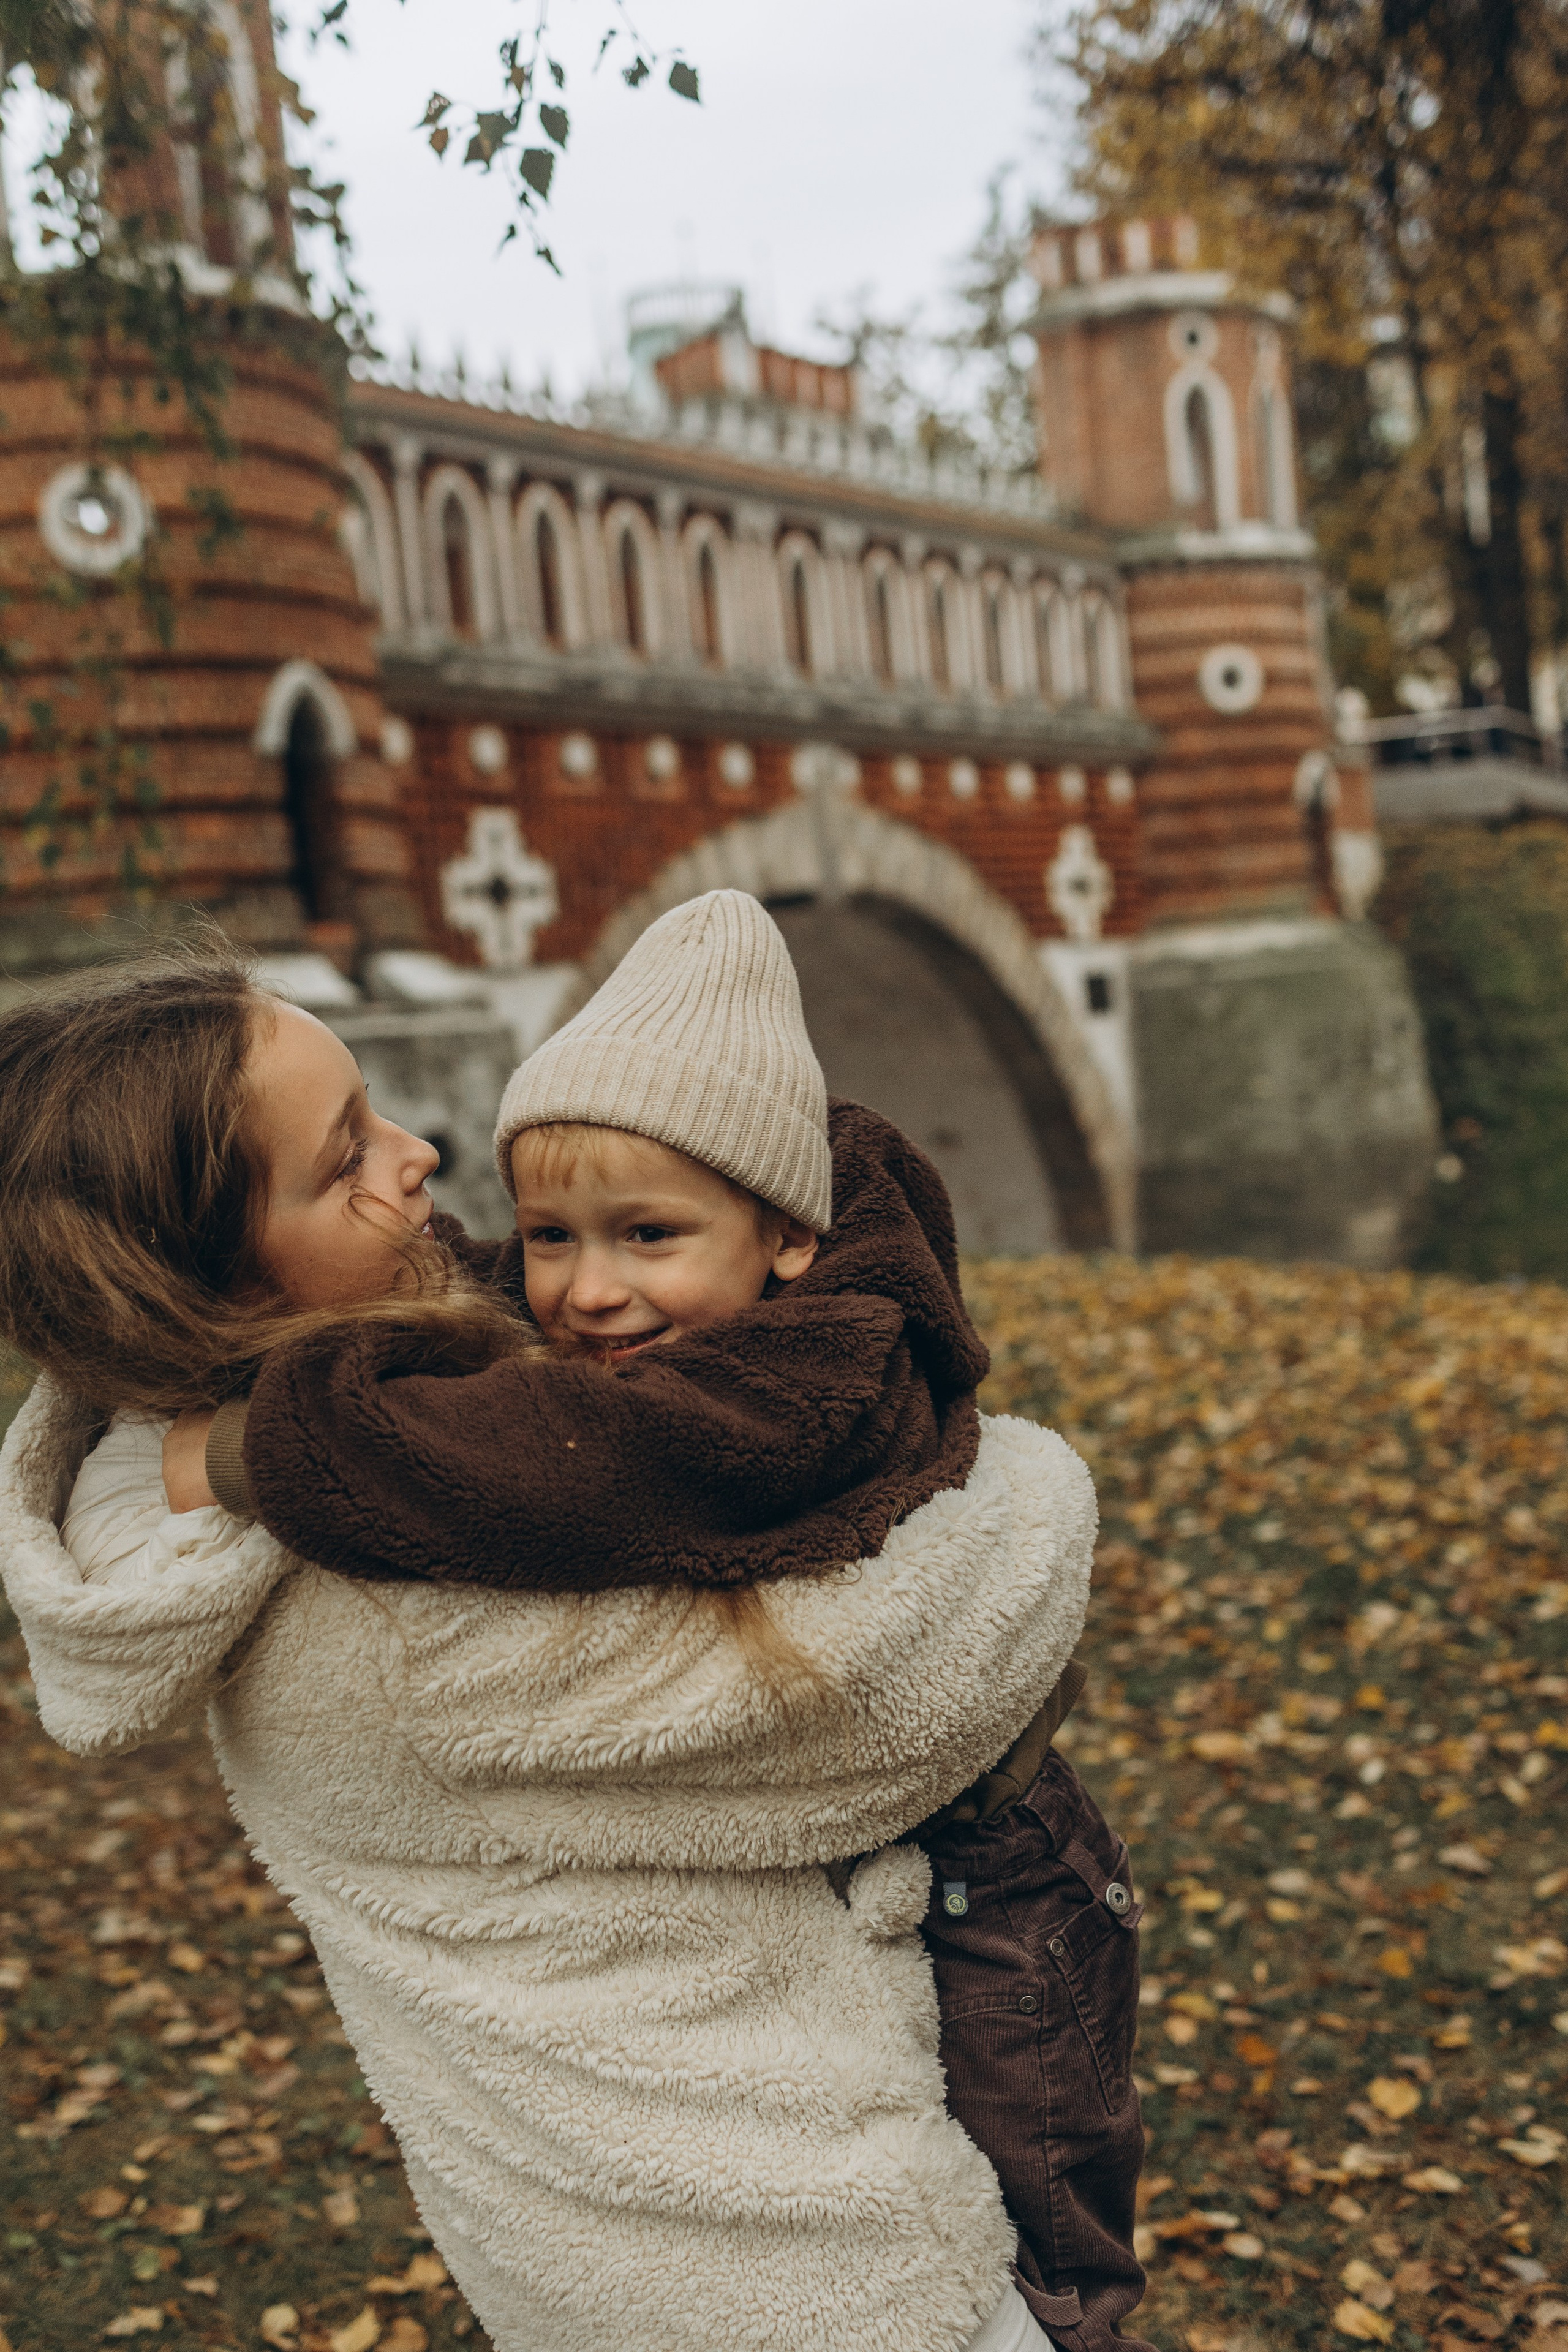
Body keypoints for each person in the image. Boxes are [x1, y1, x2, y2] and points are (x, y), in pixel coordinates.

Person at [0, 935, 1097, 2352]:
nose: (416, 1153)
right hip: (773, 2253)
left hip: (653, 2225)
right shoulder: (397, 1595)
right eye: (346, 1160)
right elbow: (894, 1691)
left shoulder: (361, 1428)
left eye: (379, 1107)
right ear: (215, 1281)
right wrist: (1034, 1487)